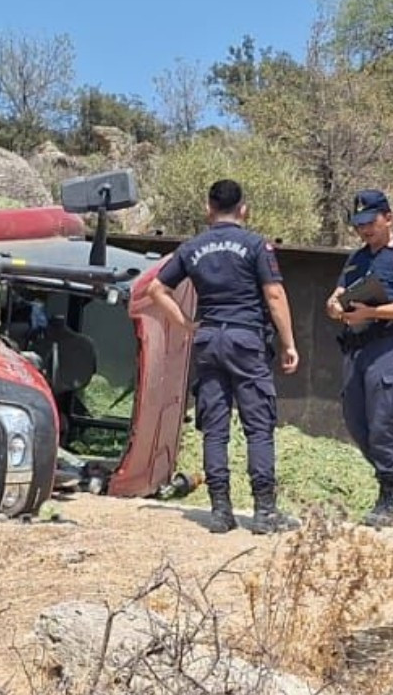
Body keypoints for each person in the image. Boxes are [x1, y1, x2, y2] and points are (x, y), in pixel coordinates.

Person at [146, 179, 300, 535]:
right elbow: (274, 295)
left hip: (209, 339)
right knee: (258, 427)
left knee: (214, 429)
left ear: (208, 208)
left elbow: (157, 289)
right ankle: (264, 513)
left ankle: (220, 511)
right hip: (246, 340)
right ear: (243, 209)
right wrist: (289, 343)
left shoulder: (192, 248)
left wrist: (186, 324)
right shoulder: (255, 245)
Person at [324, 189, 393, 528]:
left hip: (387, 347)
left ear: (388, 218)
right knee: (359, 425)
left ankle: (388, 499)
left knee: (385, 423)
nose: (365, 230)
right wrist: (335, 307)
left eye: (370, 222)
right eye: (359, 225)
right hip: (356, 348)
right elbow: (337, 296)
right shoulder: (356, 259)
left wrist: (374, 311)